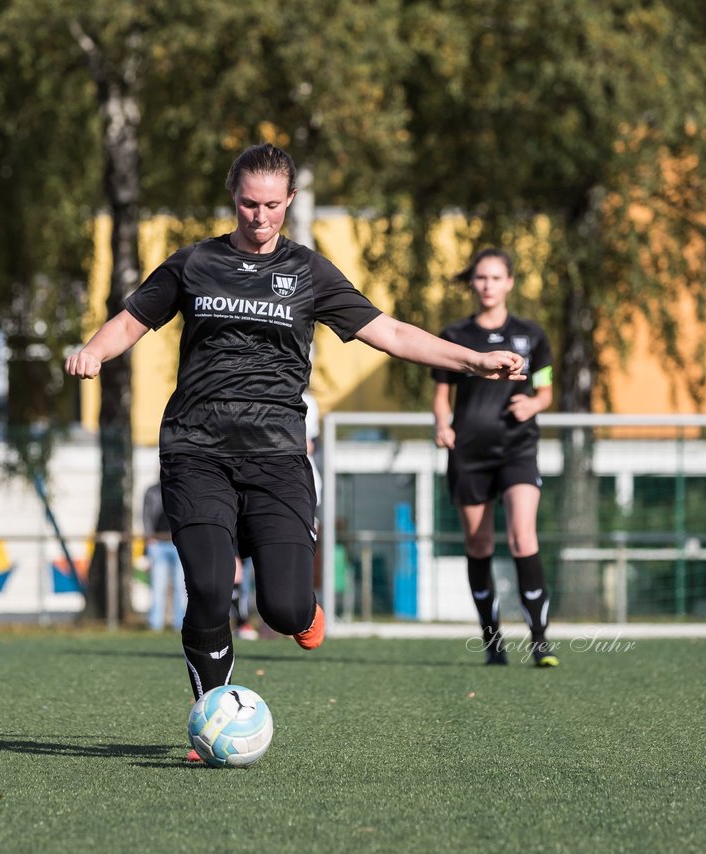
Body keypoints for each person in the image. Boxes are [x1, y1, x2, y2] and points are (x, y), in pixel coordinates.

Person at [65, 143, 526, 760]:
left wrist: (473, 360)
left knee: (282, 607)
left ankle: (296, 608)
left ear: (290, 202)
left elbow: (387, 332)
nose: (259, 217)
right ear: (234, 200)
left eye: (272, 206)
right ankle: (212, 712)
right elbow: (131, 321)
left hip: (277, 455)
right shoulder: (194, 262)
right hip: (195, 449)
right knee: (205, 586)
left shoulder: (309, 272)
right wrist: (95, 350)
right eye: (248, 204)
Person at [432, 247, 558, 667]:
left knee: (523, 537)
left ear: (510, 283)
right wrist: (442, 424)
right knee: (479, 543)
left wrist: (533, 405)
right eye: (481, 278)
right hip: (469, 453)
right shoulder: (454, 335)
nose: (487, 285)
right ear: (473, 283)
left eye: (495, 277)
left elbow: (545, 389)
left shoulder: (532, 335)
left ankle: (540, 642)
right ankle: (493, 641)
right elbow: (441, 395)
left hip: (517, 450)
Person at [142, 481, 186, 631]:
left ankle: (180, 623)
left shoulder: (183, 488)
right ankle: (155, 624)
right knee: (157, 585)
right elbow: (146, 516)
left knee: (180, 586)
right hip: (158, 544)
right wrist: (149, 539)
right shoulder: (152, 491)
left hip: (179, 543)